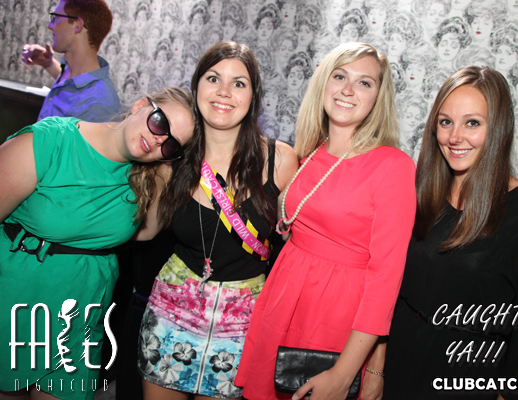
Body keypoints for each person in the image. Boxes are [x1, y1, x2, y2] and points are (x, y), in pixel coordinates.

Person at [235, 42, 417, 400]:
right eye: (340, 76)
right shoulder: (310, 151)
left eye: (364, 82)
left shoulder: (393, 166)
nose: (348, 89)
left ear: (378, 97)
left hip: (336, 317)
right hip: (283, 302)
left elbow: (386, 281)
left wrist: (345, 374)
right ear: (324, 82)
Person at [0, 87, 196, 400]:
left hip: (81, 308)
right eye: (160, 123)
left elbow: (145, 232)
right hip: (18, 296)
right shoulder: (50, 142)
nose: (160, 139)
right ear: (140, 105)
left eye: (172, 144)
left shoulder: (148, 173)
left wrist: (166, 168)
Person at [384, 66, 518, 399]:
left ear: (498, 128)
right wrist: (374, 369)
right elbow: (389, 292)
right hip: (400, 359)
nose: (455, 137)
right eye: (445, 122)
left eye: (472, 123)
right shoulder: (420, 192)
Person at [135, 41, 298, 399]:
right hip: (171, 312)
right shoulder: (174, 157)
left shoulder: (280, 161)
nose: (224, 91)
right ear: (197, 86)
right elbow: (146, 231)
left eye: (239, 83)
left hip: (242, 322)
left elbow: (298, 245)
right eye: (213, 78)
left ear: (253, 97)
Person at [21, 0, 120, 123]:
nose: (50, 26)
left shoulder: (98, 105)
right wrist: (48, 64)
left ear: (78, 25)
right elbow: (73, 89)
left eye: (56, 18)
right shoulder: (73, 71)